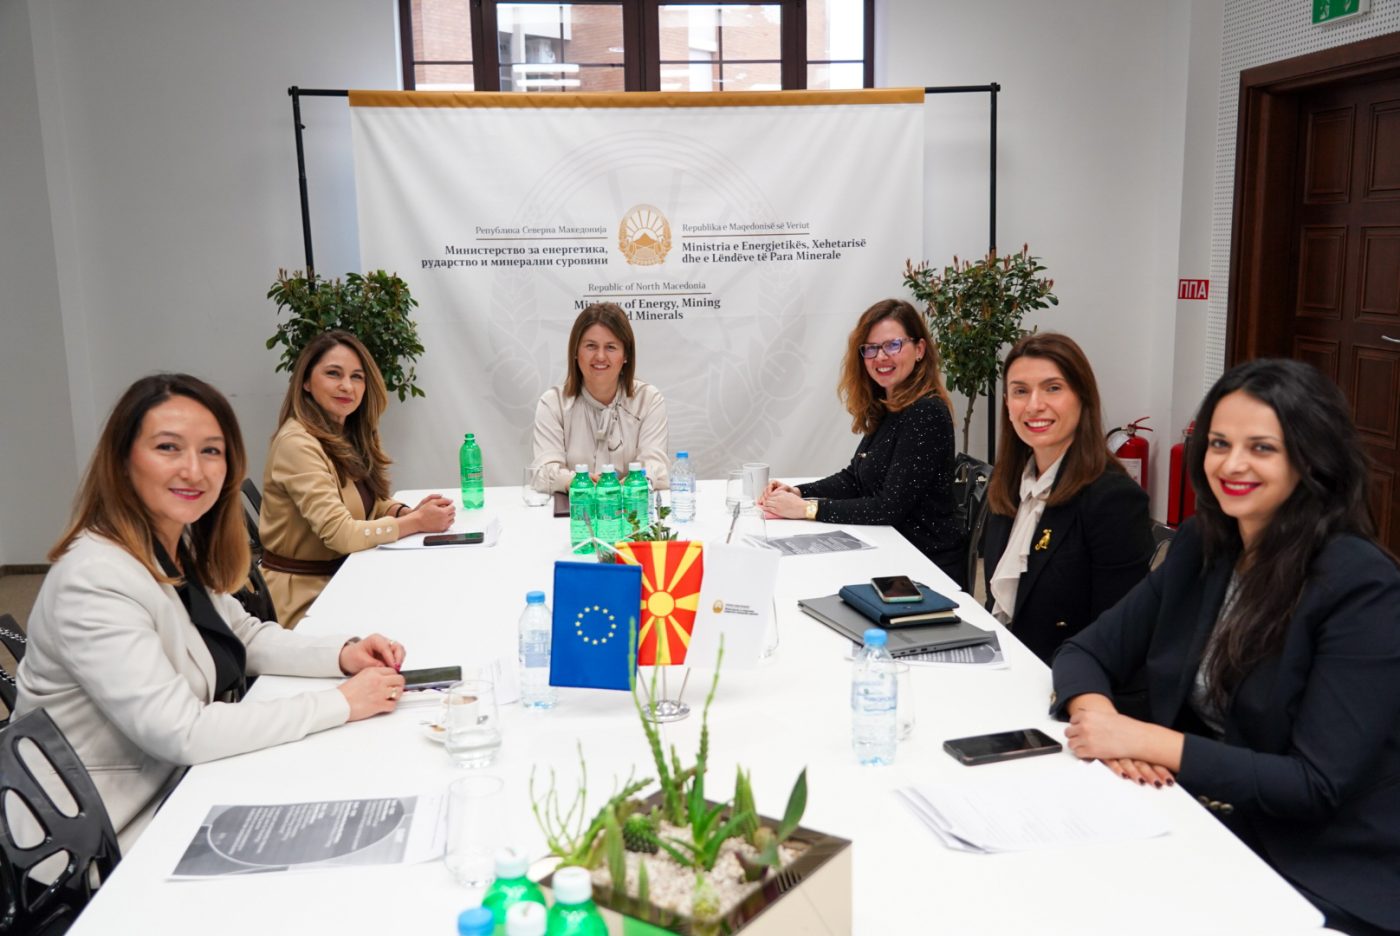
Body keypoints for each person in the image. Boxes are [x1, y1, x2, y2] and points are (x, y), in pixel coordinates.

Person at [1052, 358, 1400, 936]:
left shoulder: (1362, 587)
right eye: (1219, 443)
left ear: (1311, 458)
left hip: (1320, 865)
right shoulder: (1204, 544)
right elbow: (1085, 652)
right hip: (1199, 817)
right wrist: (1100, 718)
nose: (1232, 464)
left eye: (1261, 448)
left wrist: (1148, 741)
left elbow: (1313, 785)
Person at [14, 374, 408, 850]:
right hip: (104, 839)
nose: (194, 470)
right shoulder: (94, 579)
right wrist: (341, 703)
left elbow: (244, 634)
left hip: (181, 784)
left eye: (211, 451)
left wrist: (342, 654)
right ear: (122, 461)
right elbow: (182, 731)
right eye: (168, 447)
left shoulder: (174, 544)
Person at [759, 299, 965, 586]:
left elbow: (888, 507)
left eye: (892, 345)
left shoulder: (925, 412)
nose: (880, 357)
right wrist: (799, 491)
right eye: (871, 348)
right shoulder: (891, 406)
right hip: (890, 552)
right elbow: (855, 479)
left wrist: (807, 510)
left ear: (919, 349)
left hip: (923, 570)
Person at [259, 331, 453, 627]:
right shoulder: (297, 444)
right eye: (333, 373)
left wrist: (404, 512)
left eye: (357, 377)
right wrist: (417, 522)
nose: (347, 386)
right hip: (303, 598)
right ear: (306, 381)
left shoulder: (345, 433)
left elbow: (367, 503)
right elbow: (341, 534)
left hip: (343, 577)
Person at [981, 332, 1153, 664]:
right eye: (1020, 391)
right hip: (1005, 664)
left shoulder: (1113, 499)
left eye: (1053, 388)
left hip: (1068, 680)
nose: (1034, 405)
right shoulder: (1010, 485)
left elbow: (1118, 636)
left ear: (1082, 397)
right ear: (1007, 404)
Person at [530, 302, 670, 492]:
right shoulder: (553, 403)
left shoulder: (648, 400)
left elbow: (657, 468)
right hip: (576, 507)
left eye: (611, 347)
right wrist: (573, 482)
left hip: (631, 506)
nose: (601, 356)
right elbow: (542, 472)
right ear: (575, 352)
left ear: (626, 355)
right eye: (591, 346)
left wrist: (633, 484)